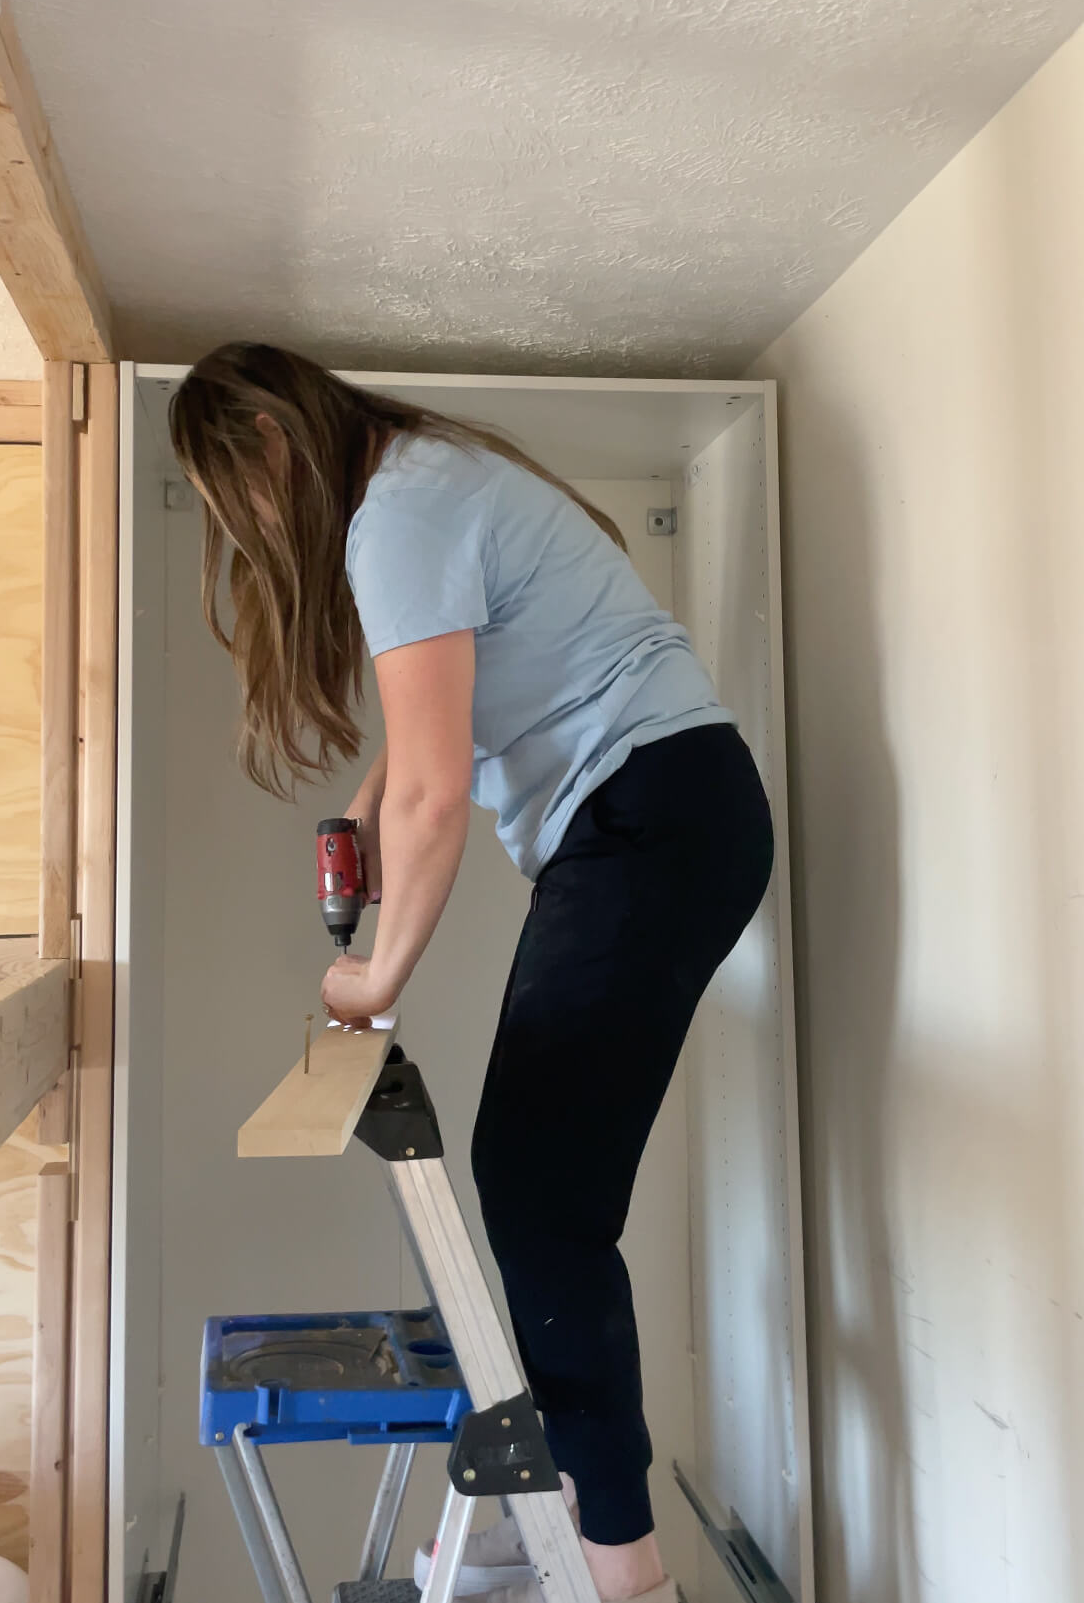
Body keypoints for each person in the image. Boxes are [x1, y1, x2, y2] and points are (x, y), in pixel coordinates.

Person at [170, 343, 774, 1603]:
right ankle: (572, 1500)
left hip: (648, 817)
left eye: (249, 499)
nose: (261, 527)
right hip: (655, 815)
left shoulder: (397, 512)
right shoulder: (425, 483)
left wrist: (371, 987)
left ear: (276, 447)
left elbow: (443, 794)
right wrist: (373, 806)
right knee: (538, 1181)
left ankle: (622, 1566)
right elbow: (423, 750)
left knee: (540, 1191)